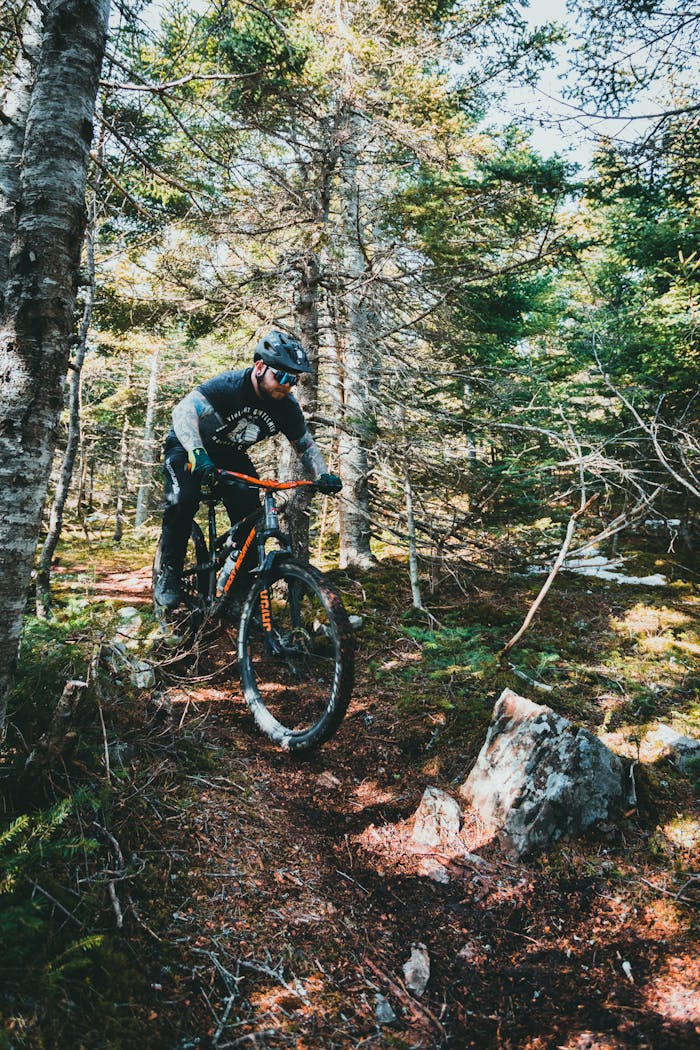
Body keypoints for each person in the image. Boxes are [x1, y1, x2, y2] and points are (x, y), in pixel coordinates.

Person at [154, 330, 342, 609]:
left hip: (229, 454)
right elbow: (183, 411)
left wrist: (322, 474)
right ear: (259, 367)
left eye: (294, 380)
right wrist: (197, 453)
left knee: (251, 518)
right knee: (183, 500)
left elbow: (304, 444)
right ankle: (168, 573)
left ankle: (237, 593)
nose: (287, 385)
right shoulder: (230, 386)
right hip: (187, 446)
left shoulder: (286, 407)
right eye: (281, 376)